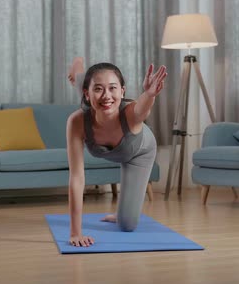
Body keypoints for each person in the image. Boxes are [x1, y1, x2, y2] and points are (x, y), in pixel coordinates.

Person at [66, 57, 167, 247]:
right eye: (98, 89)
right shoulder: (77, 121)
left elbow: (142, 110)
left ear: (123, 91)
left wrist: (149, 94)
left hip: (139, 152)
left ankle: (123, 211)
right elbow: (77, 178)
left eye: (114, 88)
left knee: (127, 224)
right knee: (90, 82)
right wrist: (75, 233)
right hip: (90, 104)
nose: (107, 95)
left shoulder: (131, 113)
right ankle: (78, 70)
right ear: (87, 94)